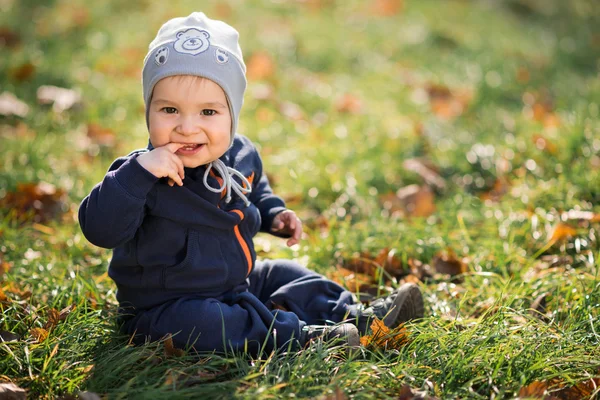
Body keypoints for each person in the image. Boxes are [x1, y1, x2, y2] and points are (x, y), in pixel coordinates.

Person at [78, 12, 424, 355]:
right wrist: (138, 174)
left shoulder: (241, 154)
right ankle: (302, 339)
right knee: (210, 323)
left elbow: (256, 191)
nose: (187, 126)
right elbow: (100, 230)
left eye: (208, 113)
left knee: (286, 273)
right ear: (148, 109)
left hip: (237, 282)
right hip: (165, 307)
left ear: (232, 115)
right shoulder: (138, 173)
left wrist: (274, 214)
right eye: (169, 110)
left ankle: (355, 317)